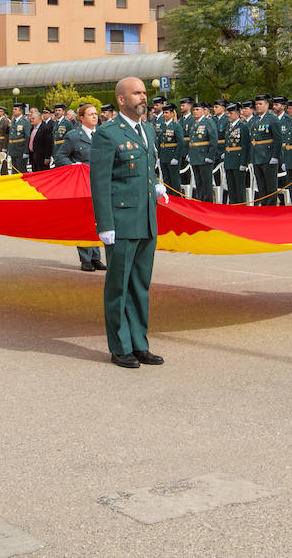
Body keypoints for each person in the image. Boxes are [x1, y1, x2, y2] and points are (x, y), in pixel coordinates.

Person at [90, 77, 166, 368]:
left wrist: (155, 184)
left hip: (146, 219)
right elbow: (100, 182)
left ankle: (139, 343)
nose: (143, 97)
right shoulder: (107, 133)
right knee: (119, 286)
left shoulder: (148, 129)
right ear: (121, 100)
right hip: (121, 222)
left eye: (144, 92)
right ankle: (120, 347)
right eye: (136, 93)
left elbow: (145, 168)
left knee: (140, 286)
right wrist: (105, 224)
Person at [55, 102, 106, 270]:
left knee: (99, 220)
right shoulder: (74, 136)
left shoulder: (102, 134)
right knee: (85, 220)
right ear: (82, 118)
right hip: (83, 184)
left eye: (96, 113)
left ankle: (96, 257)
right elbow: (60, 156)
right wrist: (74, 166)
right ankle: (86, 259)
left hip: (101, 182)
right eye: (91, 114)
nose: (95, 116)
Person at [249, 94, 282, 206]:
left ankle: (271, 208)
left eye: (260, 104)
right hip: (257, 157)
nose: (258, 106)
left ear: (267, 105)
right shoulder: (254, 120)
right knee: (261, 186)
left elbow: (278, 139)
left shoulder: (272, 119)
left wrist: (275, 156)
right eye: (256, 104)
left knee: (271, 186)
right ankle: (264, 206)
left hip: (268, 157)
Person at [184, 100, 219, 202]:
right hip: (195, 157)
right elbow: (192, 140)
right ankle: (200, 202)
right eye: (194, 110)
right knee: (198, 182)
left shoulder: (208, 122)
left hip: (204, 157)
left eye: (197, 109)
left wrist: (210, 156)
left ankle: (207, 203)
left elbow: (213, 141)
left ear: (203, 111)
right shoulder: (194, 123)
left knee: (206, 183)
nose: (195, 112)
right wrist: (190, 154)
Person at [221, 100, 250, 204]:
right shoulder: (228, 127)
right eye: (228, 113)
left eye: (231, 113)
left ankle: (241, 208)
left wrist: (243, 163)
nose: (228, 115)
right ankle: (233, 207)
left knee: (239, 188)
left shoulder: (243, 126)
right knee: (231, 188)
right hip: (229, 161)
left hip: (238, 161)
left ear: (237, 113)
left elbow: (246, 146)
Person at [156, 104, 185, 194]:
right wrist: (159, 157)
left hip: (172, 156)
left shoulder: (176, 126)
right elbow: (160, 143)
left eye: (166, 112)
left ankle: (177, 199)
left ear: (172, 114)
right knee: (166, 181)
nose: (164, 115)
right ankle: (169, 199)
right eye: (163, 113)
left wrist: (176, 157)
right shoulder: (162, 126)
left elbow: (180, 143)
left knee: (174, 181)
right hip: (164, 156)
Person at [8, 102, 29, 174]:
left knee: (21, 170)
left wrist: (26, 152)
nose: (13, 111)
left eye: (15, 109)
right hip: (13, 150)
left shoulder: (25, 121)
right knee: (14, 171)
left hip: (20, 150)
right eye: (13, 109)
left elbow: (27, 137)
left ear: (21, 111)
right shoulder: (13, 121)